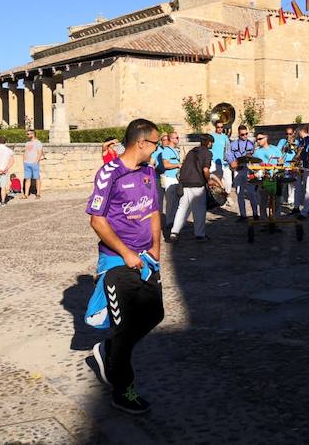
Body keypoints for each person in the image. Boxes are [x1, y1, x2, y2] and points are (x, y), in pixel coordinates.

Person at [86, 118, 163, 415]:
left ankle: (108, 351)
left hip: (146, 259)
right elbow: (97, 220)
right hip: (118, 263)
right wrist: (127, 253)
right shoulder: (110, 173)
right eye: (155, 143)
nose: (157, 148)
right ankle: (123, 390)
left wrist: (155, 248)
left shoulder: (147, 172)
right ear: (141, 142)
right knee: (125, 326)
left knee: (155, 314)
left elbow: (153, 211)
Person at [169, 134, 219, 242]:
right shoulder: (207, 153)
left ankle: (174, 232)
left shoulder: (191, 152)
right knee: (199, 210)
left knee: (181, 208)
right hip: (197, 184)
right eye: (211, 143)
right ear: (209, 142)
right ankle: (200, 235)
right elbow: (206, 169)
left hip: (185, 183)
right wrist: (209, 180)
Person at [226, 124, 257, 223]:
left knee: (252, 193)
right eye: (242, 134)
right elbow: (229, 155)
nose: (245, 136)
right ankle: (243, 215)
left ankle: (255, 214)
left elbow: (255, 156)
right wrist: (232, 162)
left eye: (246, 134)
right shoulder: (233, 144)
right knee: (239, 193)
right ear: (239, 134)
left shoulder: (251, 144)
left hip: (248, 169)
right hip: (238, 170)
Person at [253, 132, 283, 232]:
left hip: (275, 177)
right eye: (257, 139)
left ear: (266, 138)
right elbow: (253, 166)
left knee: (278, 201)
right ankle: (264, 223)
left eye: (260, 139)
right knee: (263, 201)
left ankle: (277, 222)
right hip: (264, 178)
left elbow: (281, 161)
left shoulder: (275, 149)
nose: (258, 141)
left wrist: (280, 162)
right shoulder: (257, 152)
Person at [158, 132, 182, 229]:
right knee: (170, 202)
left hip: (176, 178)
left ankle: (174, 221)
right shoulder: (166, 151)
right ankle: (169, 222)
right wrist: (177, 165)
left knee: (176, 201)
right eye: (176, 137)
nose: (178, 139)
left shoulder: (175, 150)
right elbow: (166, 165)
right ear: (171, 139)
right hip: (170, 178)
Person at [276, 126, 299, 212]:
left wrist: (294, 146)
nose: (288, 136)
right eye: (287, 134)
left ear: (293, 134)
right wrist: (284, 148)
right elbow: (278, 152)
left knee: (292, 184)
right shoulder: (282, 141)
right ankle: (281, 199)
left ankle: (291, 201)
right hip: (283, 165)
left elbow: (298, 153)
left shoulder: (296, 142)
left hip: (292, 164)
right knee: (282, 183)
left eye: (290, 134)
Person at [291, 125, 309, 215]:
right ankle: (296, 207)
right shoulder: (300, 141)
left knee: (307, 188)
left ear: (301, 131)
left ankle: (308, 208)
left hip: (307, 166)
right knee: (298, 188)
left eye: (298, 132)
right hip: (300, 166)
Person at [0, 136, 15, 206]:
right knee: (3, 187)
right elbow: (12, 161)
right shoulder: (9, 150)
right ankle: (3, 202)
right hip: (4, 171)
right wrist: (6, 169)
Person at [210, 121, 232, 193]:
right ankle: (220, 201)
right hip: (214, 162)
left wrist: (230, 160)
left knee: (229, 182)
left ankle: (227, 195)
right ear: (215, 127)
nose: (220, 129)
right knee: (217, 183)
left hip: (224, 163)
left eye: (221, 127)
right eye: (218, 127)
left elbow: (228, 150)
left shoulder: (225, 137)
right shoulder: (211, 136)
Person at [23, 129, 45, 199]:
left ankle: (38, 194)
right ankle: (26, 194)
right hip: (27, 163)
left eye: (28, 134)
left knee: (37, 178)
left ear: (33, 134)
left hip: (34, 163)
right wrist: (24, 161)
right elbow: (25, 152)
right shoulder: (27, 143)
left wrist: (36, 161)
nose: (27, 135)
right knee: (27, 179)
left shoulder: (38, 143)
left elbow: (39, 153)